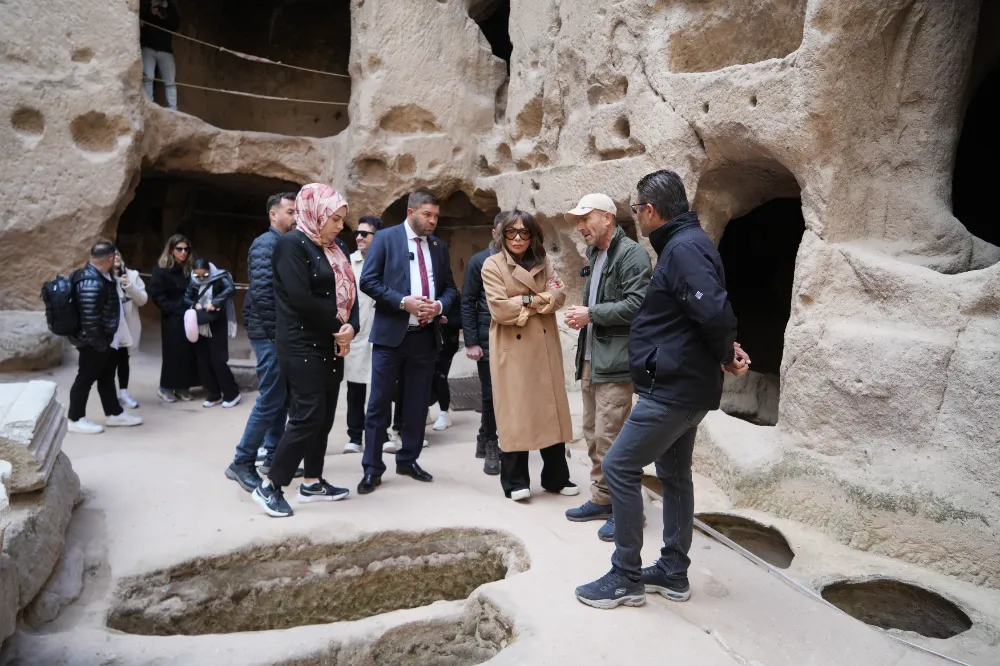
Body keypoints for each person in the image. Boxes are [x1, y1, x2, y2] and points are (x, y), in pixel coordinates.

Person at [575, 170, 750, 610]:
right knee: (673, 475)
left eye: (637, 210)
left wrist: (726, 351)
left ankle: (626, 575)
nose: (638, 218)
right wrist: (724, 348)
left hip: (674, 388)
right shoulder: (687, 244)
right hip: (684, 382)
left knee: (618, 466)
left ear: (650, 211)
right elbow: (702, 314)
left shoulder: (684, 248)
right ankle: (673, 571)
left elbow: (711, 309)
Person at [252, 184, 357, 518]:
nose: (340, 227)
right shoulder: (290, 245)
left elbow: (349, 291)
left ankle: (312, 481)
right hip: (301, 343)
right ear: (316, 214)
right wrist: (337, 329)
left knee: (324, 417)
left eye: (342, 220)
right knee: (306, 417)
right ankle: (269, 486)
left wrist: (350, 326)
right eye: (335, 219)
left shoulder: (333, 246)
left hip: (331, 342)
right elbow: (301, 299)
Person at [563, 194, 652, 542]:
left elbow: (638, 304)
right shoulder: (594, 254)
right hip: (592, 358)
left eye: (586, 219)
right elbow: (599, 301)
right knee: (592, 433)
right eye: (578, 221)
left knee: (614, 440)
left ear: (607, 217)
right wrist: (583, 315)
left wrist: (591, 315)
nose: (580, 227)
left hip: (616, 362)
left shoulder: (631, 254)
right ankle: (603, 500)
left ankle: (628, 511)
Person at [356, 190, 458, 495]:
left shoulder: (439, 247)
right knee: (378, 405)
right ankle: (372, 469)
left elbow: (451, 289)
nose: (433, 221)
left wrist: (438, 306)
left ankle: (408, 459)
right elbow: (368, 281)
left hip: (425, 338)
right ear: (411, 211)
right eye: (428, 214)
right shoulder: (385, 239)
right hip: (390, 338)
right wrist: (403, 303)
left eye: (436, 216)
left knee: (416, 405)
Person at [481, 210, 578, 501]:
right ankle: (514, 481)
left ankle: (556, 478)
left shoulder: (543, 261)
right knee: (516, 413)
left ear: (533, 235)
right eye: (512, 232)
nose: (519, 238)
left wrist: (524, 301)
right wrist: (537, 300)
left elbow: (559, 296)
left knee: (550, 410)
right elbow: (500, 309)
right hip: (512, 348)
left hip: (544, 346)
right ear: (502, 235)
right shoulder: (492, 265)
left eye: (525, 233)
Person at [226, 192, 299, 492]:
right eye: (291, 212)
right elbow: (265, 295)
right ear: (273, 214)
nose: (296, 217)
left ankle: (273, 457)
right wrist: (276, 336)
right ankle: (242, 462)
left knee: (280, 398)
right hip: (270, 334)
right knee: (270, 399)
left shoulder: (281, 243)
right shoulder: (265, 244)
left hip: (277, 334)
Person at [66, 242, 143, 434]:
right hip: (94, 342)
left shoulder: (101, 275)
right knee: (85, 378)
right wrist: (100, 344)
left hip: (106, 341)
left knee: (106, 377)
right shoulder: (90, 281)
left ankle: (114, 414)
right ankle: (75, 418)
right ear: (109, 259)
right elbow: (90, 318)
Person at [461, 213, 503, 475]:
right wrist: (471, 342)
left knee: (505, 394)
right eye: (503, 232)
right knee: (489, 395)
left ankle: (482, 435)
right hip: (486, 340)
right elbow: (467, 302)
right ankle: (490, 443)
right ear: (493, 232)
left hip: (512, 339)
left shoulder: (516, 260)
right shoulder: (479, 261)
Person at [343, 216, 381, 454]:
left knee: (382, 388)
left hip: (380, 334)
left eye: (365, 234)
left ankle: (382, 434)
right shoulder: (348, 263)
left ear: (376, 238)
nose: (358, 237)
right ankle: (355, 437)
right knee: (355, 388)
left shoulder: (386, 261)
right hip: (357, 333)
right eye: (357, 233)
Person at [184, 257, 241, 408]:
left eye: (204, 275)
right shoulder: (193, 279)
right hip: (200, 323)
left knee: (218, 360)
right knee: (203, 361)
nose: (201, 278)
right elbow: (186, 296)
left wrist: (215, 302)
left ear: (210, 270)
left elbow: (231, 289)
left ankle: (232, 393)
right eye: (198, 276)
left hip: (216, 322)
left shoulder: (220, 276)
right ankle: (214, 394)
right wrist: (193, 303)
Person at [149, 234, 198, 402]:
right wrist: (172, 309)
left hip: (190, 316)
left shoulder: (189, 270)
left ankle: (183, 387)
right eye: (179, 249)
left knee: (189, 352)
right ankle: (166, 387)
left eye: (186, 249)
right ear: (171, 250)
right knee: (173, 352)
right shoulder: (161, 270)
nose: (183, 253)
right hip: (173, 317)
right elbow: (157, 294)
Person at [111, 250, 149, 410]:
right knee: (108, 362)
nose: (117, 257)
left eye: (119, 254)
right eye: (113, 255)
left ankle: (124, 392)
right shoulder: (102, 277)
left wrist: (129, 286)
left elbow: (142, 300)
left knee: (123, 359)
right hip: (110, 327)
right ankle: (110, 396)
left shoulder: (132, 275)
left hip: (127, 325)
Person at [428, 295, 462, 431]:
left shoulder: (450, 294)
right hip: (425, 339)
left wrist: (442, 319)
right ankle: (424, 410)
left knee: (439, 375)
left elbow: (460, 319)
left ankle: (444, 412)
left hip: (446, 342)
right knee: (423, 377)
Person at [139, 0, 181, 110]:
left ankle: (173, 109)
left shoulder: (170, 7)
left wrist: (164, 16)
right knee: (148, 78)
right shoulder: (146, 5)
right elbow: (138, 18)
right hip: (148, 47)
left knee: (170, 82)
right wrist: (150, 12)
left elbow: (175, 25)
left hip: (165, 50)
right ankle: (149, 107)